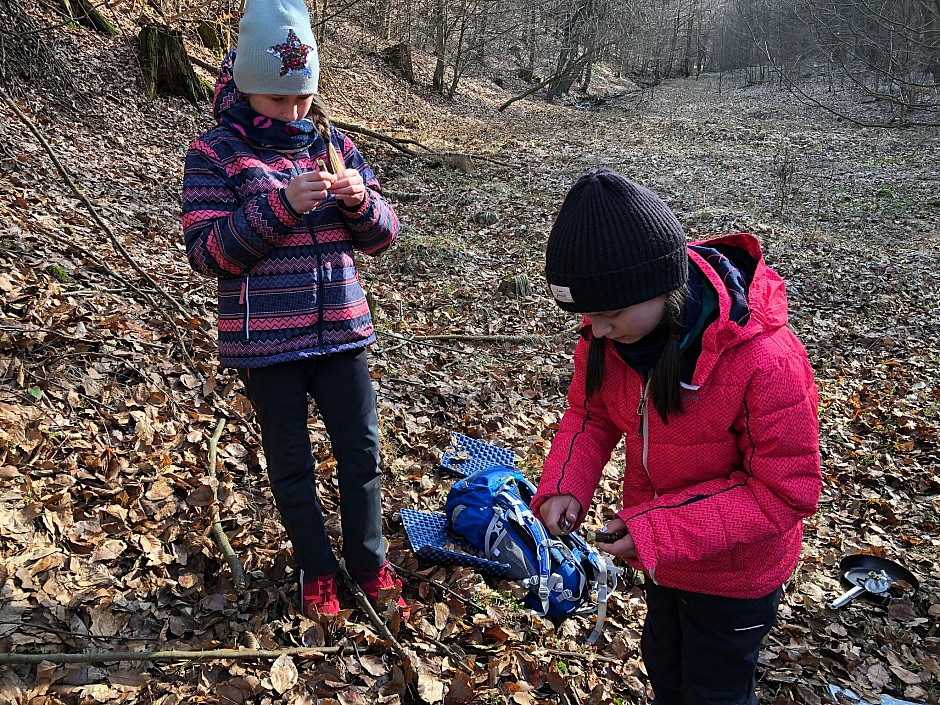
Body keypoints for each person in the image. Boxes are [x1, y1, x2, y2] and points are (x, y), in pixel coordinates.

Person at [530, 169, 821, 704]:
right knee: (666, 674)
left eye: (608, 314)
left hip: (736, 577)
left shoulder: (765, 359)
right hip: (664, 562)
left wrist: (656, 530)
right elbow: (589, 417)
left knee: (715, 693)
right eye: (585, 315)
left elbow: (785, 490)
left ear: (660, 288)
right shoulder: (610, 340)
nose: (594, 329)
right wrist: (566, 486)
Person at [181, 0, 406, 619]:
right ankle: (316, 567)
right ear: (248, 87)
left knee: (362, 453)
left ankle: (367, 560)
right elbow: (207, 252)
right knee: (291, 463)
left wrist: (362, 202)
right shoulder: (214, 154)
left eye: (303, 97)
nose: (294, 111)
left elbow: (384, 237)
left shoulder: (335, 144)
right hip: (268, 347)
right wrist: (281, 206)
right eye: (279, 100)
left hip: (342, 332)